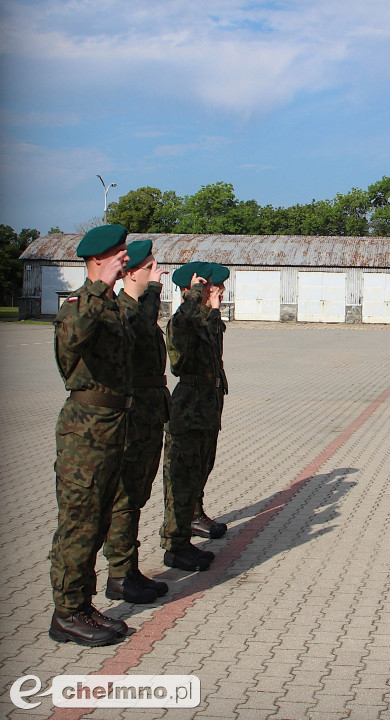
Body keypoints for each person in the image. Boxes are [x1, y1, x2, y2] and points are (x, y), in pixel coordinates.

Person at [48, 224, 133, 646]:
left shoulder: (112, 305)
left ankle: (81, 604)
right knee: (79, 521)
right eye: (118, 253)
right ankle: (65, 613)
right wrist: (99, 287)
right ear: (96, 260)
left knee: (98, 519)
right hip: (85, 429)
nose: (124, 259)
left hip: (113, 425)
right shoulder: (81, 303)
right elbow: (71, 347)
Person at [102, 239, 171, 605]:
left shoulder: (136, 310)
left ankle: (127, 570)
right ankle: (120, 574)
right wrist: (155, 290)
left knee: (136, 495)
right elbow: (142, 329)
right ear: (130, 273)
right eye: (151, 269)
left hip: (147, 416)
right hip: (132, 419)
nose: (157, 274)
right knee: (125, 497)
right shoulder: (126, 312)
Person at [161, 262, 229, 572]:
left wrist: (212, 310)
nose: (220, 291)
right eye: (214, 287)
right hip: (188, 408)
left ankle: (194, 519)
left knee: (202, 467)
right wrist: (195, 305)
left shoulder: (206, 319)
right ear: (195, 290)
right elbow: (179, 362)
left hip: (207, 406)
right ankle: (176, 544)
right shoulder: (181, 321)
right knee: (181, 477)